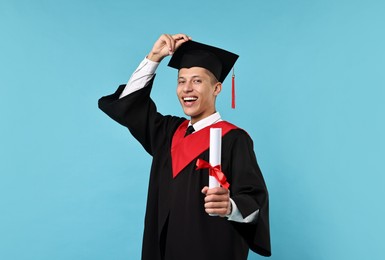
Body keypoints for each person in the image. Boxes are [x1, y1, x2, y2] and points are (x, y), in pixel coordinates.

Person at [98, 33, 271, 260]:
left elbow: (255, 200)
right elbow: (128, 107)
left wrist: (229, 206)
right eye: (181, 81)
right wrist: (154, 57)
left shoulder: (235, 139)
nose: (187, 89)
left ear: (217, 88)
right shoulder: (168, 132)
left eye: (197, 81)